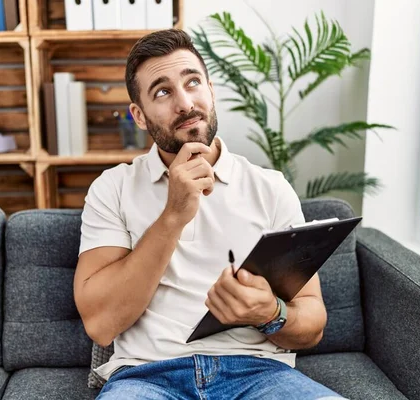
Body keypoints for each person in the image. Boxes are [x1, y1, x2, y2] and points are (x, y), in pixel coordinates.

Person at [74, 29, 345, 400]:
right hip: (147, 378)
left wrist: (269, 313)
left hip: (259, 374)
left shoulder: (270, 187)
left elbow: (312, 325)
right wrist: (173, 215)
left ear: (211, 90)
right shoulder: (113, 188)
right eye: (163, 91)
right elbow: (101, 325)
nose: (185, 103)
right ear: (139, 115)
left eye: (192, 82)